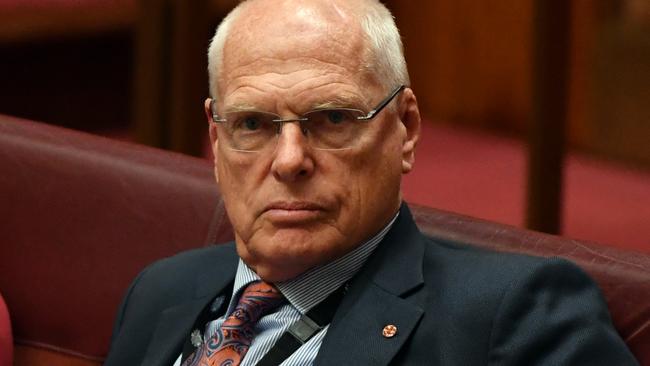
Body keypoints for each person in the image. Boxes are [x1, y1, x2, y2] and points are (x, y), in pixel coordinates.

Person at [105, 0, 639, 365]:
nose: (290, 161)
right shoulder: (160, 292)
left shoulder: (513, 317)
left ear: (404, 129)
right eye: (251, 124)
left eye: (334, 119)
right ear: (217, 144)